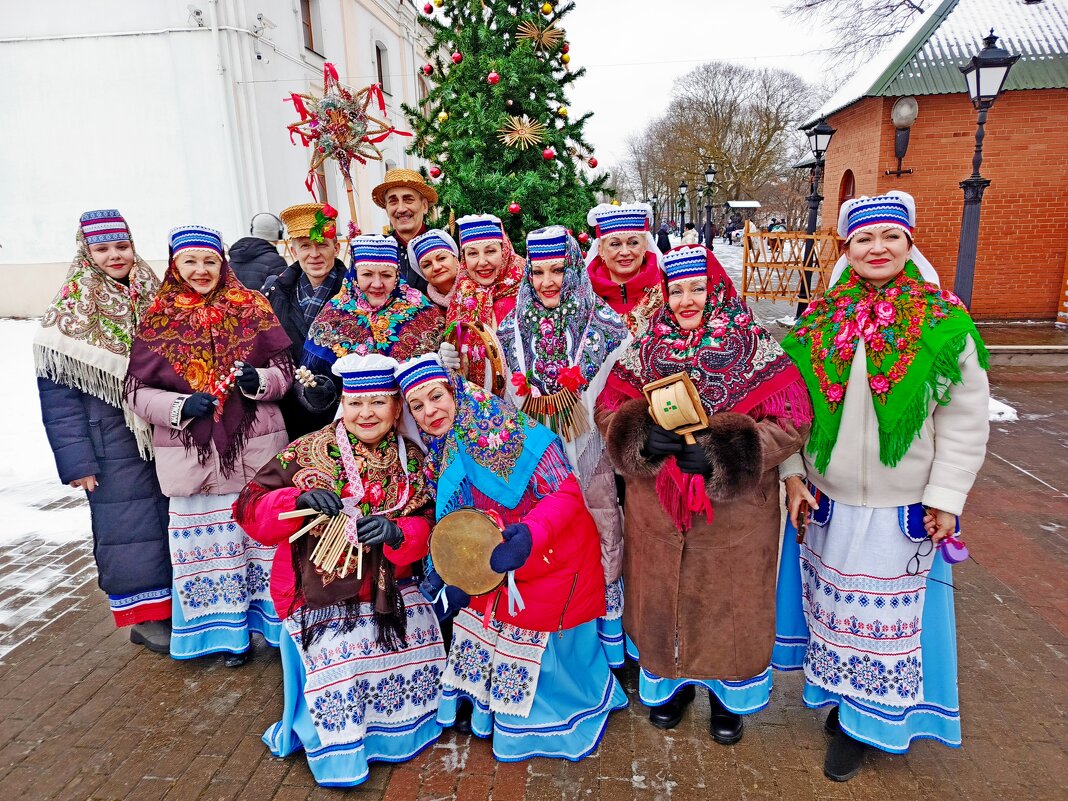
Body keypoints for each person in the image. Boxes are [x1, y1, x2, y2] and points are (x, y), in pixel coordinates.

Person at [774, 191, 990, 782]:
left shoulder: (943, 323)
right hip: (830, 504)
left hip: (904, 507)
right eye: (864, 238)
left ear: (909, 242)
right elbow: (789, 410)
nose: (877, 248)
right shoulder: (819, 322)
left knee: (886, 627)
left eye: (890, 236)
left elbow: (965, 417)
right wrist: (792, 477)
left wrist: (946, 497)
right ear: (847, 247)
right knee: (836, 614)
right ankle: (843, 706)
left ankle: (866, 727)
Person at [598, 244, 812, 744]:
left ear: (717, 290)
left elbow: (793, 421)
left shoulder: (759, 349)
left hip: (734, 515)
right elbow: (608, 412)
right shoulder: (641, 349)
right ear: (664, 294)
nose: (687, 300)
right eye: (676, 290)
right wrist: (640, 439)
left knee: (727, 605)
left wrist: (722, 452)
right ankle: (670, 686)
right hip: (657, 510)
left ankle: (727, 699)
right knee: (662, 601)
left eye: (698, 288)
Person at [395, 354, 628, 761]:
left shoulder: (509, 431)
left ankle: (545, 713)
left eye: (437, 396)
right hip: (498, 560)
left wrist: (528, 536)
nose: (430, 411)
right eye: (418, 405)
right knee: (478, 606)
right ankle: (485, 704)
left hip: (548, 551)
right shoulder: (440, 448)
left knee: (523, 621)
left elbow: (569, 495)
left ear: (457, 392)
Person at [234, 353, 446, 788]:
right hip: (318, 590)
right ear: (342, 405)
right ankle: (343, 750)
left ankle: (398, 734)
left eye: (378, 403)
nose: (365, 414)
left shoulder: (413, 460)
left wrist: (396, 531)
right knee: (341, 651)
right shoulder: (306, 451)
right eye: (355, 403)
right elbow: (249, 508)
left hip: (391, 583)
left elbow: (430, 523)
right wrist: (296, 503)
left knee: (422, 632)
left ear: (396, 408)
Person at [124, 225, 294, 665]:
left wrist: (261, 382)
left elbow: (284, 373)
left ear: (224, 264)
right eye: (190, 262)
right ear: (174, 265)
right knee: (211, 555)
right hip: (193, 459)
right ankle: (223, 636)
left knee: (261, 544)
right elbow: (137, 393)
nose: (201, 271)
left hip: (253, 452)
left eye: (210, 261)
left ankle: (273, 629)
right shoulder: (159, 316)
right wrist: (180, 405)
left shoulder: (252, 306)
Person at [34, 210, 172, 651]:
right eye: (103, 249)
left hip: (166, 433)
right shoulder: (69, 310)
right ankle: (145, 616)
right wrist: (77, 461)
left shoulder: (156, 294)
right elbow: (58, 399)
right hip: (109, 441)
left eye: (122, 246)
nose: (115, 256)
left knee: (170, 521)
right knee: (126, 526)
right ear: (86, 253)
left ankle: (181, 607)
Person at [498, 226, 631, 668]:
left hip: (591, 446)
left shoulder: (608, 325)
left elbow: (619, 392)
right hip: (536, 455)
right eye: (537, 272)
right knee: (544, 531)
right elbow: (503, 396)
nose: (547, 281)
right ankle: (553, 637)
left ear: (574, 268)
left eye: (557, 270)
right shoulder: (510, 326)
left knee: (598, 527)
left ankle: (603, 639)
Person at [299, 235, 444, 417]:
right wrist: (319, 393)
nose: (377, 284)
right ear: (354, 274)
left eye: (386, 275)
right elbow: (311, 376)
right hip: (356, 424)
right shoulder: (334, 313)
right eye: (367, 274)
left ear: (397, 275)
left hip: (415, 421)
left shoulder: (423, 311)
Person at [264, 202, 347, 438]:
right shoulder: (274, 291)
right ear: (293, 250)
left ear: (336, 248)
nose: (314, 254)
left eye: (322, 244)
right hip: (289, 416)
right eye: (305, 246)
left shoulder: (353, 293)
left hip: (339, 415)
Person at [438, 213, 526, 388]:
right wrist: (448, 356)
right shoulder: (462, 296)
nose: (482, 262)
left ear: (504, 250)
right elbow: (455, 348)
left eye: (490, 251)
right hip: (482, 401)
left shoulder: (528, 287)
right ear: (464, 258)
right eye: (472, 254)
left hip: (529, 397)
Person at [586, 203, 664, 338]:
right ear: (601, 250)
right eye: (615, 244)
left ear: (645, 246)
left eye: (633, 243)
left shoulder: (665, 291)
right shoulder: (586, 296)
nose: (625, 252)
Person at [372, 168, 436, 295]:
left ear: (424, 206)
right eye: (393, 201)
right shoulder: (377, 252)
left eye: (408, 199)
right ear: (386, 209)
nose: (400, 209)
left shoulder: (443, 248)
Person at [229, 212, 287, 291]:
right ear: (279, 234)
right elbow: (284, 294)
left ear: (252, 230)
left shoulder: (234, 258)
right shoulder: (276, 261)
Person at [407, 228, 460, 309]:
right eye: (427, 265)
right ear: (423, 274)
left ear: (456, 260)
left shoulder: (480, 290)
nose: (436, 267)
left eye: (442, 258)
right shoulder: (425, 307)